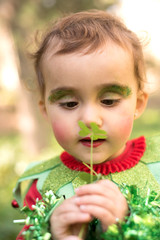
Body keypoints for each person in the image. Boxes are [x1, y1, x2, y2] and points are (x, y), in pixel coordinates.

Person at [12, 10, 160, 240]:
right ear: (45, 110)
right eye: (70, 103)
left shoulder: (157, 166)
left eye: (108, 100)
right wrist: (50, 233)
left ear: (138, 104)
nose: (90, 120)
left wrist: (129, 226)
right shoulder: (41, 185)